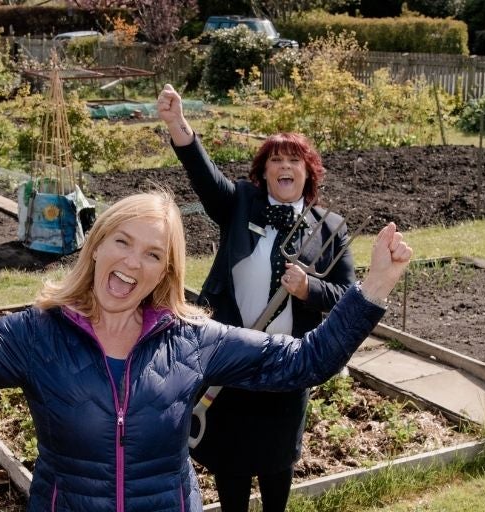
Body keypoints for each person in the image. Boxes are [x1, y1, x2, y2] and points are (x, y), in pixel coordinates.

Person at [0, 191, 414, 511]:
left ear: (166, 270)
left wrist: (374, 288)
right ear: (97, 244)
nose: (133, 263)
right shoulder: (35, 335)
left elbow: (305, 362)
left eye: (153, 254)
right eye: (122, 243)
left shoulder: (192, 340)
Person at [156, 84, 356, 511]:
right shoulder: (241, 204)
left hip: (287, 360)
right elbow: (205, 178)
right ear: (263, 172)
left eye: (294, 161)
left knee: (277, 461)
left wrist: (309, 288)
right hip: (230, 355)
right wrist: (178, 125)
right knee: (230, 462)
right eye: (275, 161)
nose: (284, 167)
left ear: (309, 173)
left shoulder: (328, 228)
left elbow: (346, 296)